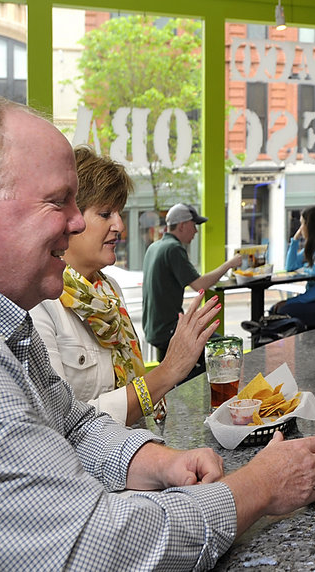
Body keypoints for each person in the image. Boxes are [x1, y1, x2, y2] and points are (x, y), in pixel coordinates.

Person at [0, 93, 315, 569]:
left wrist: (156, 462)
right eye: (59, 202)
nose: (75, 222)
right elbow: (98, 548)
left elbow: (72, 424)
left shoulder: (0, 319)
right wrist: (256, 487)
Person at [30, 147, 214, 426]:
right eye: (105, 214)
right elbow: (61, 422)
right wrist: (168, 371)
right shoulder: (38, 303)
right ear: (68, 220)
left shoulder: (109, 288)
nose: (119, 225)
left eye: (119, 213)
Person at [142, 203, 243, 363]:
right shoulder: (173, 248)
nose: (196, 231)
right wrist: (229, 264)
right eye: (194, 225)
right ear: (182, 226)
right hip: (169, 330)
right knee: (224, 351)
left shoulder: (154, 247)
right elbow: (200, 286)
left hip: (154, 330)